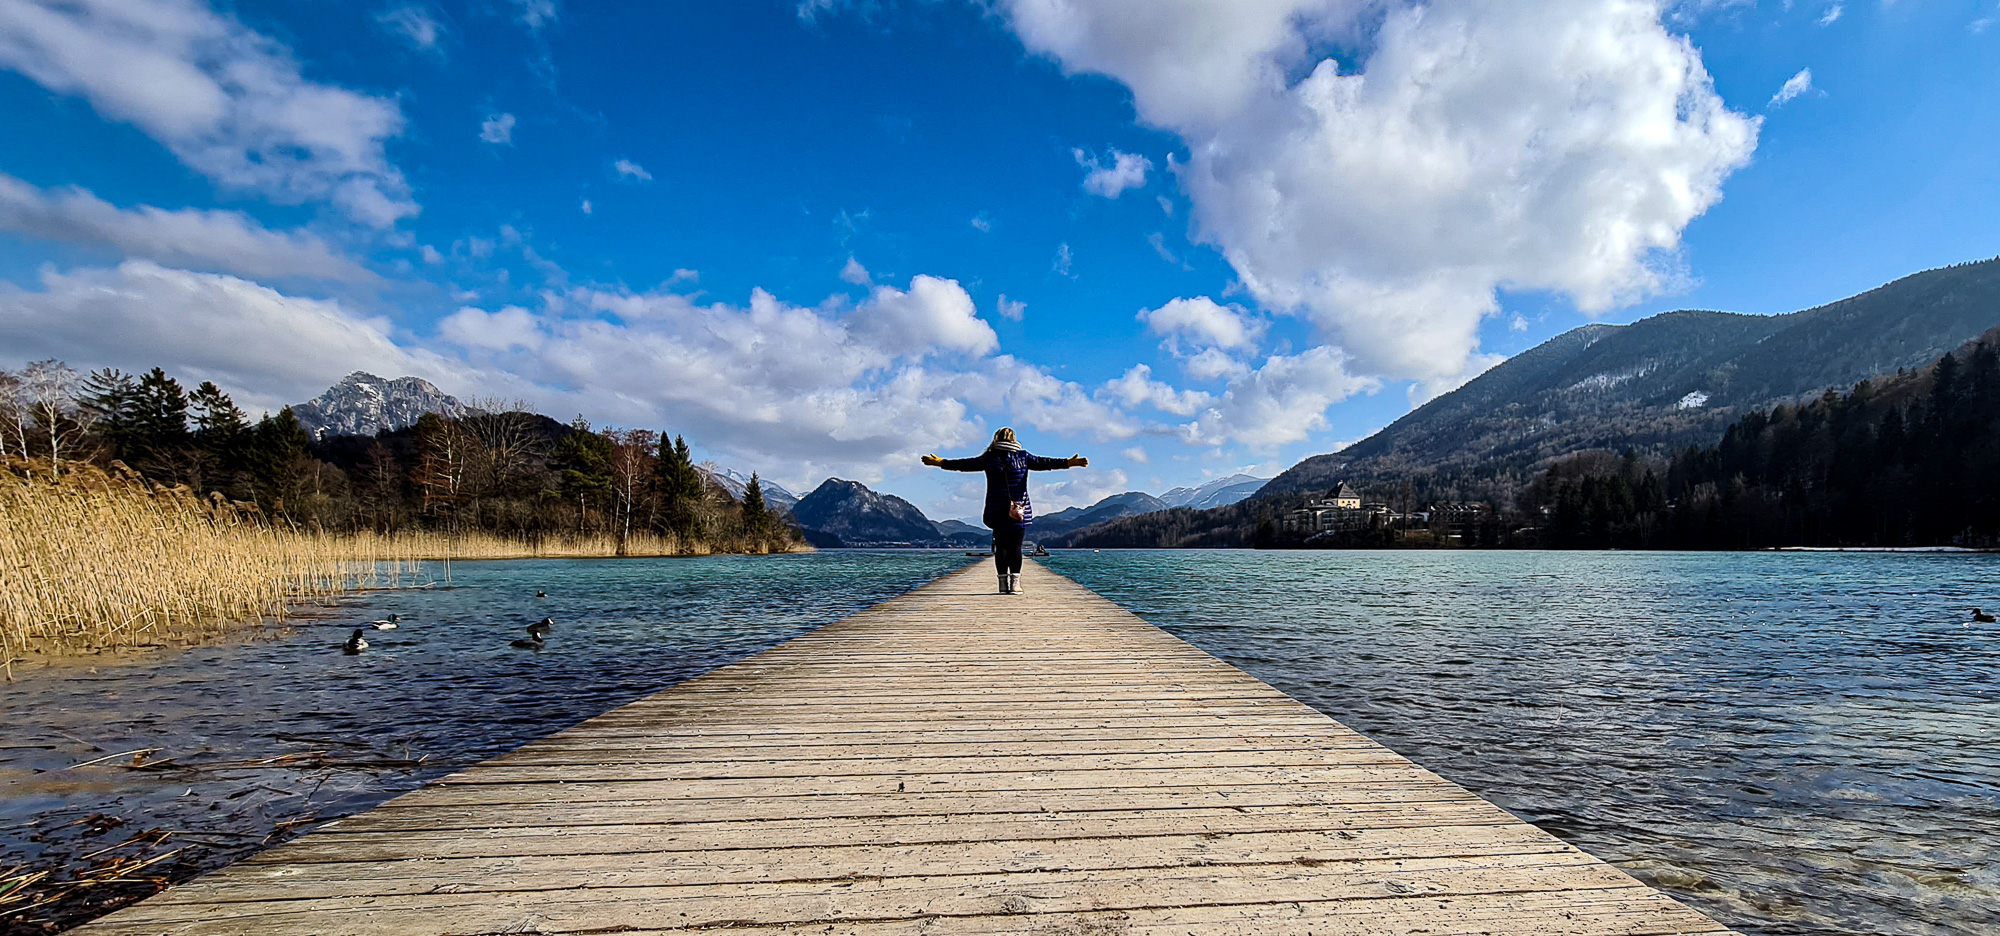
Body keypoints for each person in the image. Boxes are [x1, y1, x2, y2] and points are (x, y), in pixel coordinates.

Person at [923, 428, 1086, 595]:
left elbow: (963, 465)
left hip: (996, 509)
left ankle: (1002, 584)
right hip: (1018, 510)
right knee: (1016, 547)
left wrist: (940, 462)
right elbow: (1046, 462)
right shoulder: (1023, 457)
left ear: (996, 438)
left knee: (1001, 546)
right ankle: (1015, 585)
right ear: (1014, 439)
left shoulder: (989, 457)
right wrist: (1070, 463)